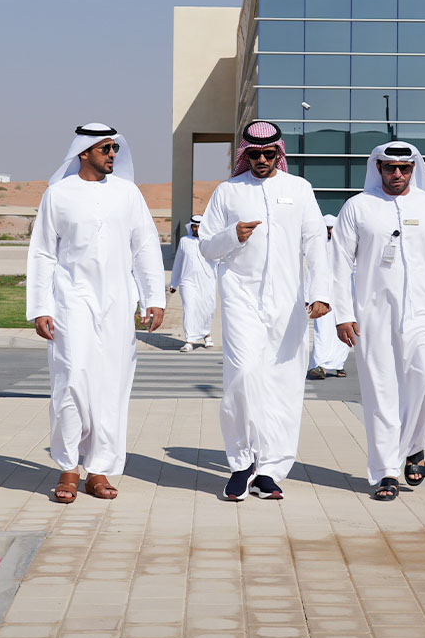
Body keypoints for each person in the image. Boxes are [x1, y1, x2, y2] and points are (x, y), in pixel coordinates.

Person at [27, 123, 165, 503]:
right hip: (71, 301)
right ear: (84, 152)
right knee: (70, 380)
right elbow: (42, 252)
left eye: (115, 148)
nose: (112, 155)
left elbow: (145, 247)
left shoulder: (128, 193)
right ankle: (69, 467)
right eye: (105, 148)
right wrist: (40, 307)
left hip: (119, 303)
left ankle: (99, 469)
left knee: (111, 385)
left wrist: (154, 298)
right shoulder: (58, 195)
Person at [331, 141, 425, 502]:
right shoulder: (358, 208)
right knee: (381, 393)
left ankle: (415, 443)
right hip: (373, 315)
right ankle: (386, 473)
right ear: (377, 167)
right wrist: (343, 313)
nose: (397, 174)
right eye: (389, 167)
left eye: (404, 167)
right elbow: (338, 265)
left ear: (414, 169)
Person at [198, 120, 330, 501]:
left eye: (268, 154)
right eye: (252, 154)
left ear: (279, 152)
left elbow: (315, 244)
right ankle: (242, 462)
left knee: (284, 385)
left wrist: (320, 293)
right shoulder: (228, 192)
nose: (260, 160)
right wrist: (231, 236)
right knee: (241, 376)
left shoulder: (299, 189)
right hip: (240, 297)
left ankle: (270, 469)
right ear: (244, 154)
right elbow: (206, 245)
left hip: (289, 302)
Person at [307, 214, 351, 380]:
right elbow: (311, 273)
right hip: (323, 293)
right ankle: (319, 365)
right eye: (327, 229)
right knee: (322, 330)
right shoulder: (318, 246)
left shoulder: (345, 244)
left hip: (345, 293)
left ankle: (339, 364)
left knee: (343, 326)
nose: (330, 231)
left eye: (332, 228)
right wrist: (308, 296)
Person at [169, 214, 216, 353]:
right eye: (194, 226)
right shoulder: (184, 241)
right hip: (187, 281)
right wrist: (174, 283)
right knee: (189, 309)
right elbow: (178, 262)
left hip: (207, 280)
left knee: (207, 309)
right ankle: (189, 341)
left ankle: (206, 334)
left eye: (199, 226)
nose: (197, 229)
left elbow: (219, 259)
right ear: (191, 227)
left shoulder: (210, 241)